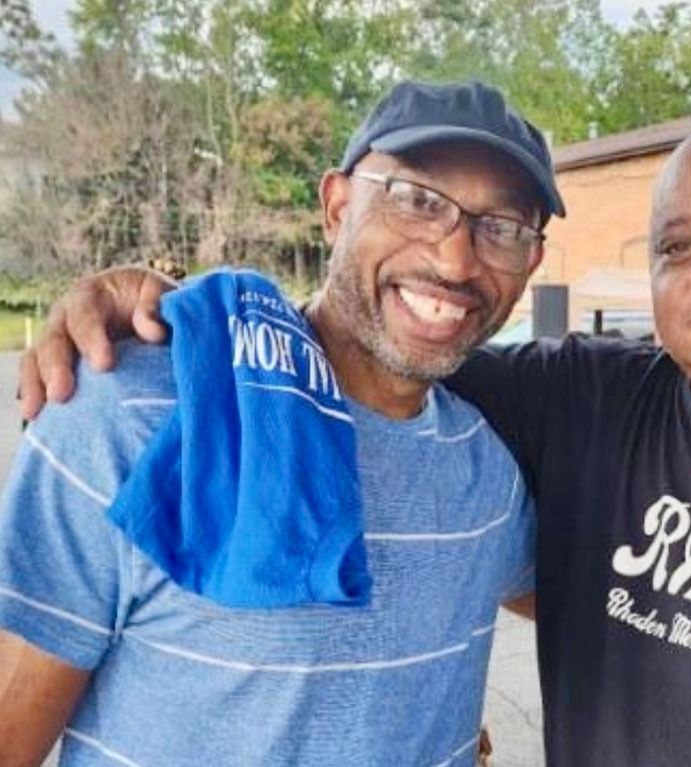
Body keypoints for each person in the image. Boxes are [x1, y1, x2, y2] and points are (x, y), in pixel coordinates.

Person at [20, 123, 691, 766]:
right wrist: (181, 315)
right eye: (678, 246)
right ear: (338, 202)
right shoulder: (586, 401)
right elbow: (379, 336)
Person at [0, 79, 565, 766]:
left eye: (501, 227)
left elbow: (601, 600)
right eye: (417, 200)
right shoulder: (136, 416)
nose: (455, 258)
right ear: (336, 206)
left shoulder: (488, 479)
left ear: (530, 261)